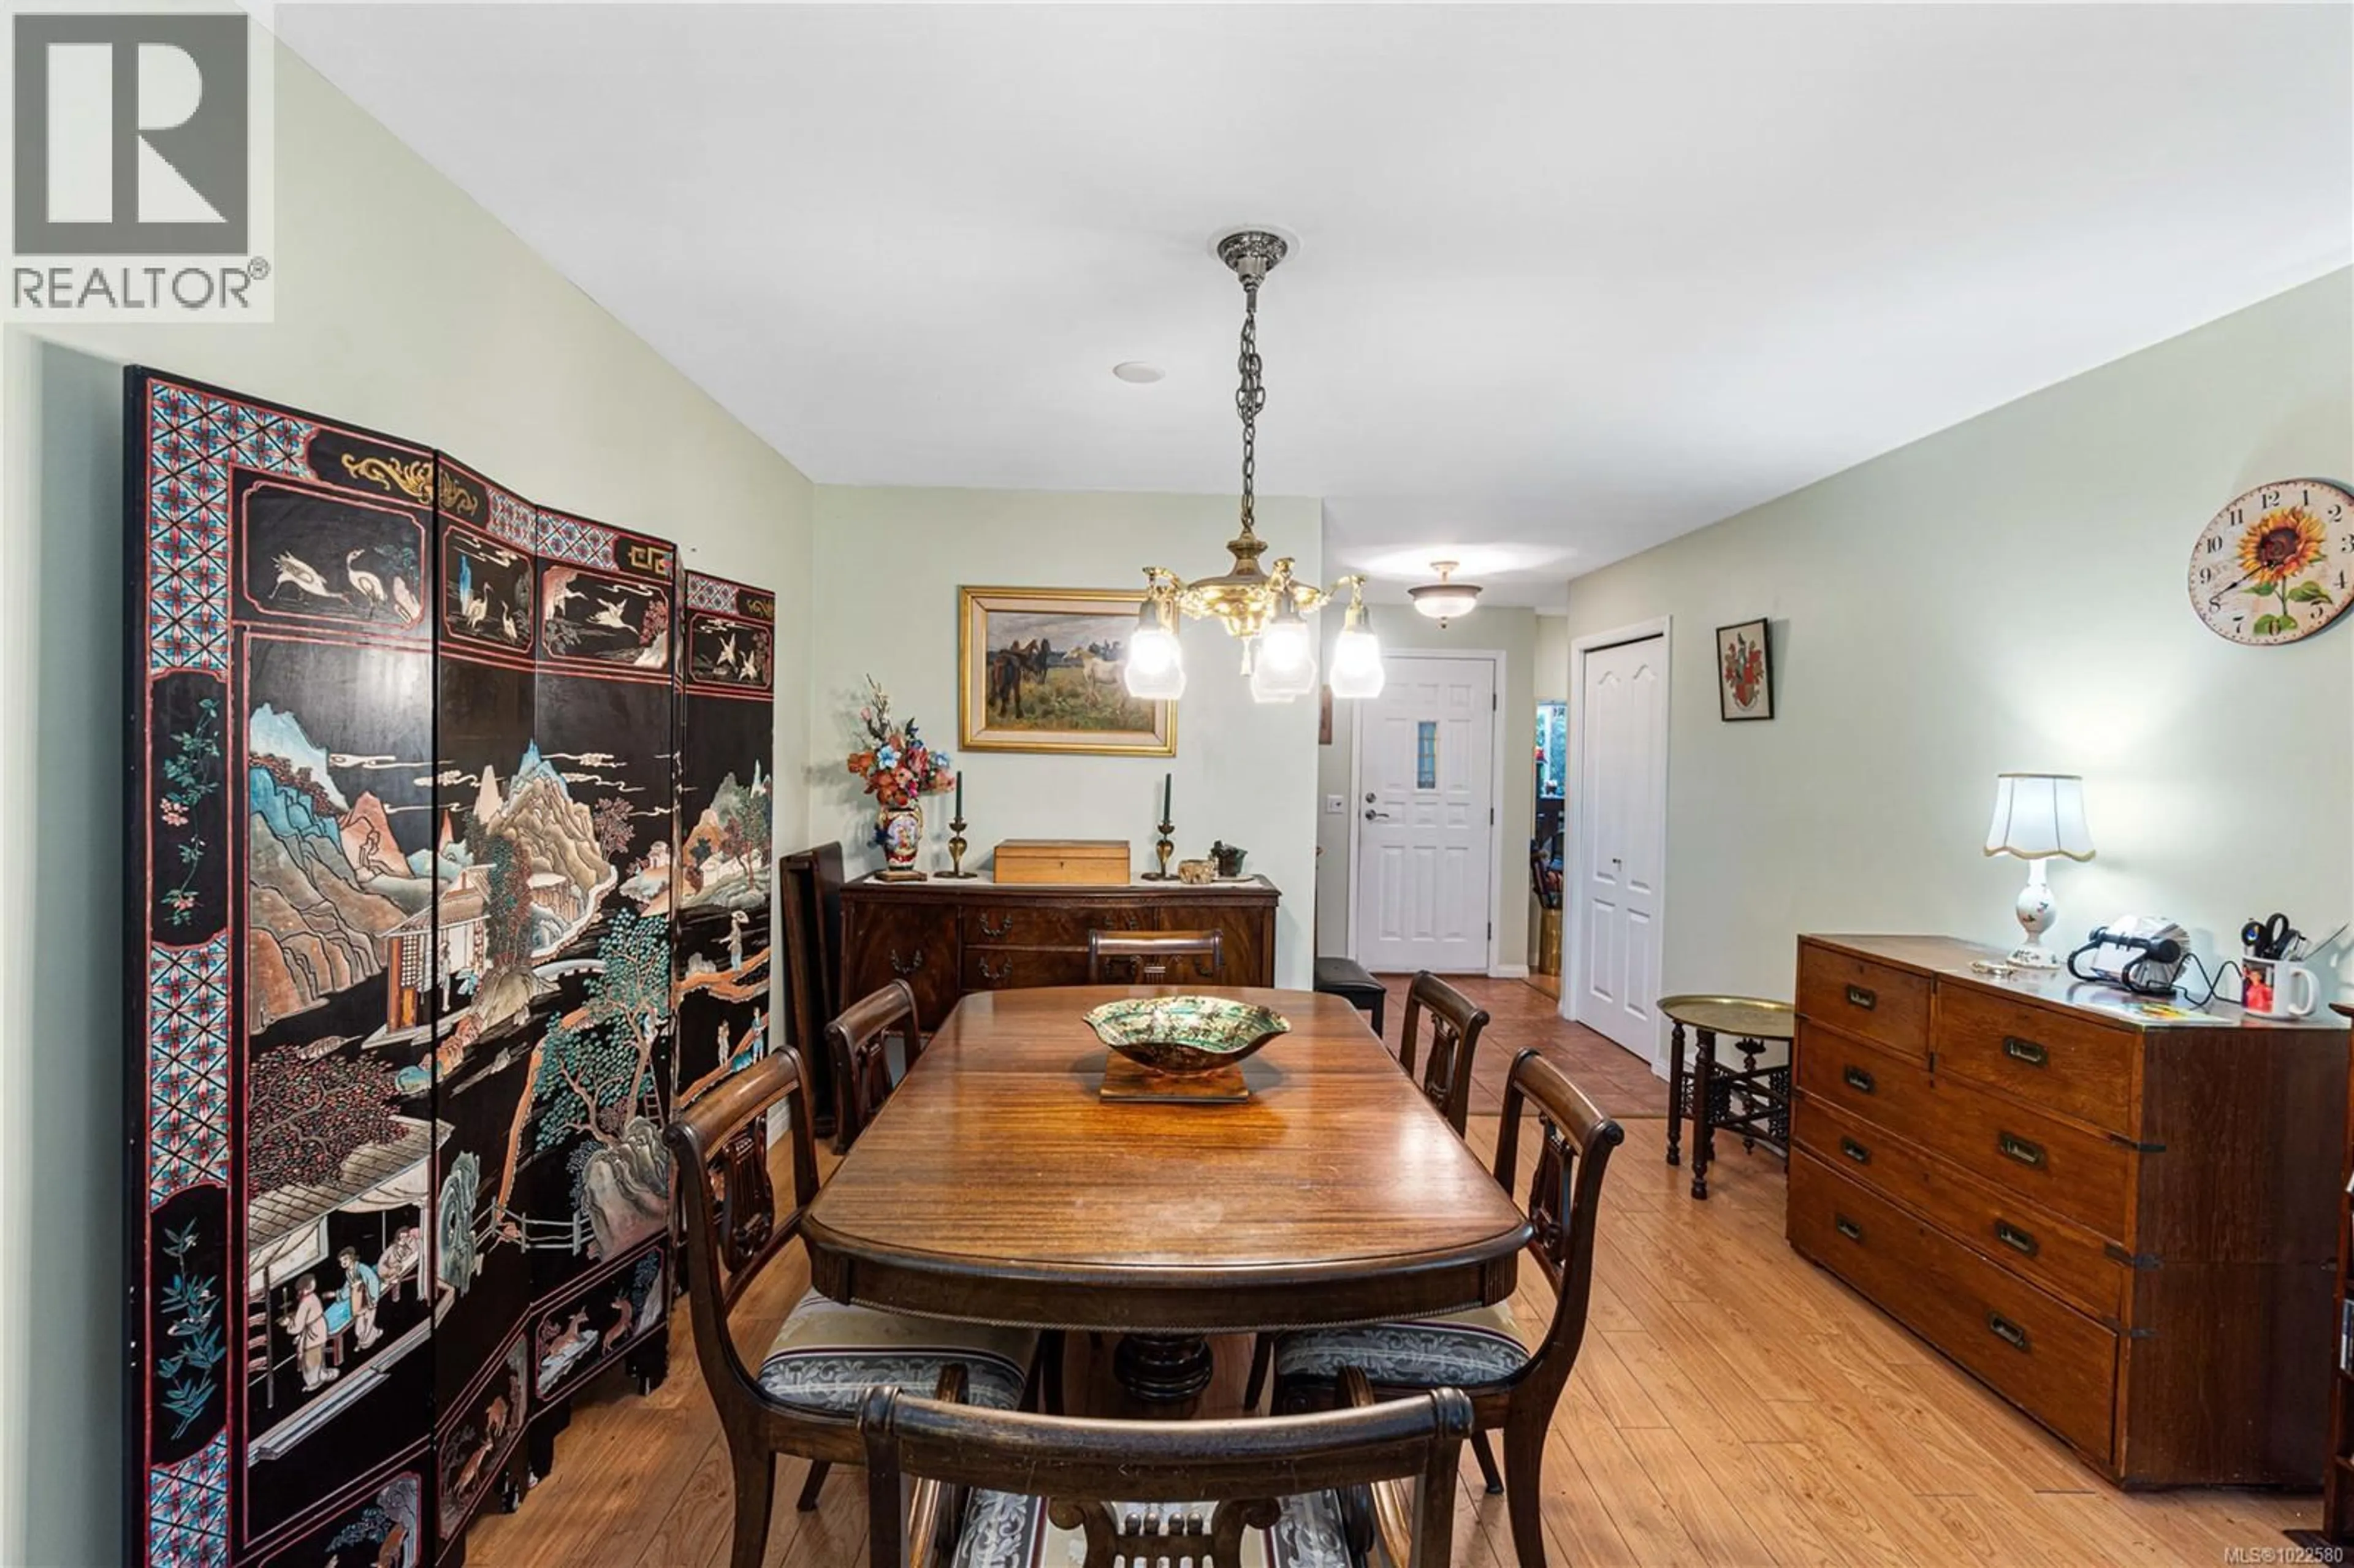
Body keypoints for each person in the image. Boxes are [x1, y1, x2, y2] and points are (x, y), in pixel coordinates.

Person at [282, 1276, 336, 1391]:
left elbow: (298, 1326)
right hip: (319, 1328)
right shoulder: (312, 1297)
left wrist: (288, 1325)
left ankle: (314, 1382)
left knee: (311, 1359)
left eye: (301, 1290)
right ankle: (322, 1374)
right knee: (318, 1355)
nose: (299, 1293)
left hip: (313, 1333)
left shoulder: (306, 1302)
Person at [339, 1246, 383, 1350]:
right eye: (341, 1261)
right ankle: (375, 1333)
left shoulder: (362, 1268)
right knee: (359, 1331)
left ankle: (363, 1342)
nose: (344, 1263)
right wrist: (338, 1295)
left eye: (346, 1259)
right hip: (358, 1302)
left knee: (367, 1327)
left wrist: (373, 1298)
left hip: (368, 1299)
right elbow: (347, 1288)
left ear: (352, 1258)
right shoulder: (348, 1273)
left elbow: (373, 1280)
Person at [375, 1225, 422, 1304]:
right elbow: (383, 1261)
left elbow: (413, 1251)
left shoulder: (410, 1245)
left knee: (397, 1274)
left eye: (406, 1237)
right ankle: (388, 1281)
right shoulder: (393, 1248)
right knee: (396, 1273)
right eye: (402, 1238)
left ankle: (393, 1289)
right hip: (386, 1268)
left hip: (396, 1267)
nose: (404, 1239)